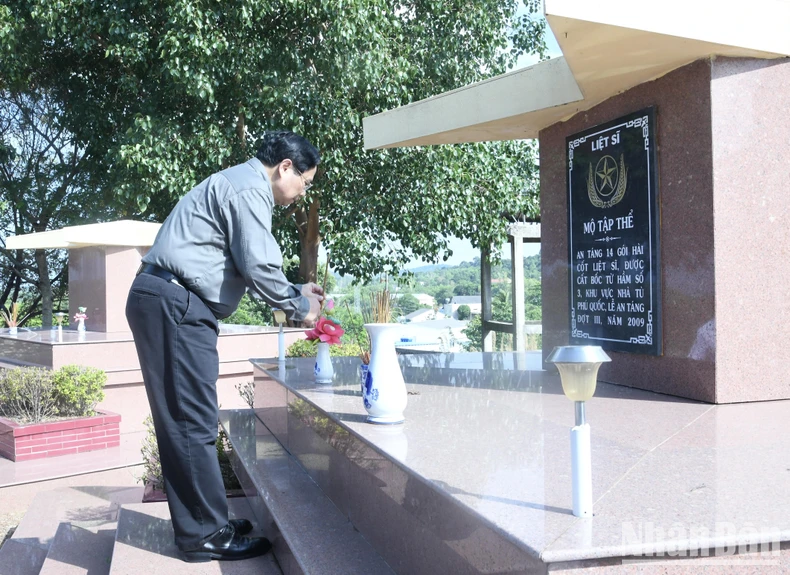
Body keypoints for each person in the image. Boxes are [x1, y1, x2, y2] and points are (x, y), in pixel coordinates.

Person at [126, 131, 324, 563]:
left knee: (186, 419)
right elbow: (256, 265)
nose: (303, 192)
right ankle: (204, 536)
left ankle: (207, 521)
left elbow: (234, 264)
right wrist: (300, 308)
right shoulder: (251, 190)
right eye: (306, 182)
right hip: (176, 304)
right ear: (285, 167)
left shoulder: (236, 184)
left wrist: (293, 287)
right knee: (190, 422)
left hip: (170, 299)